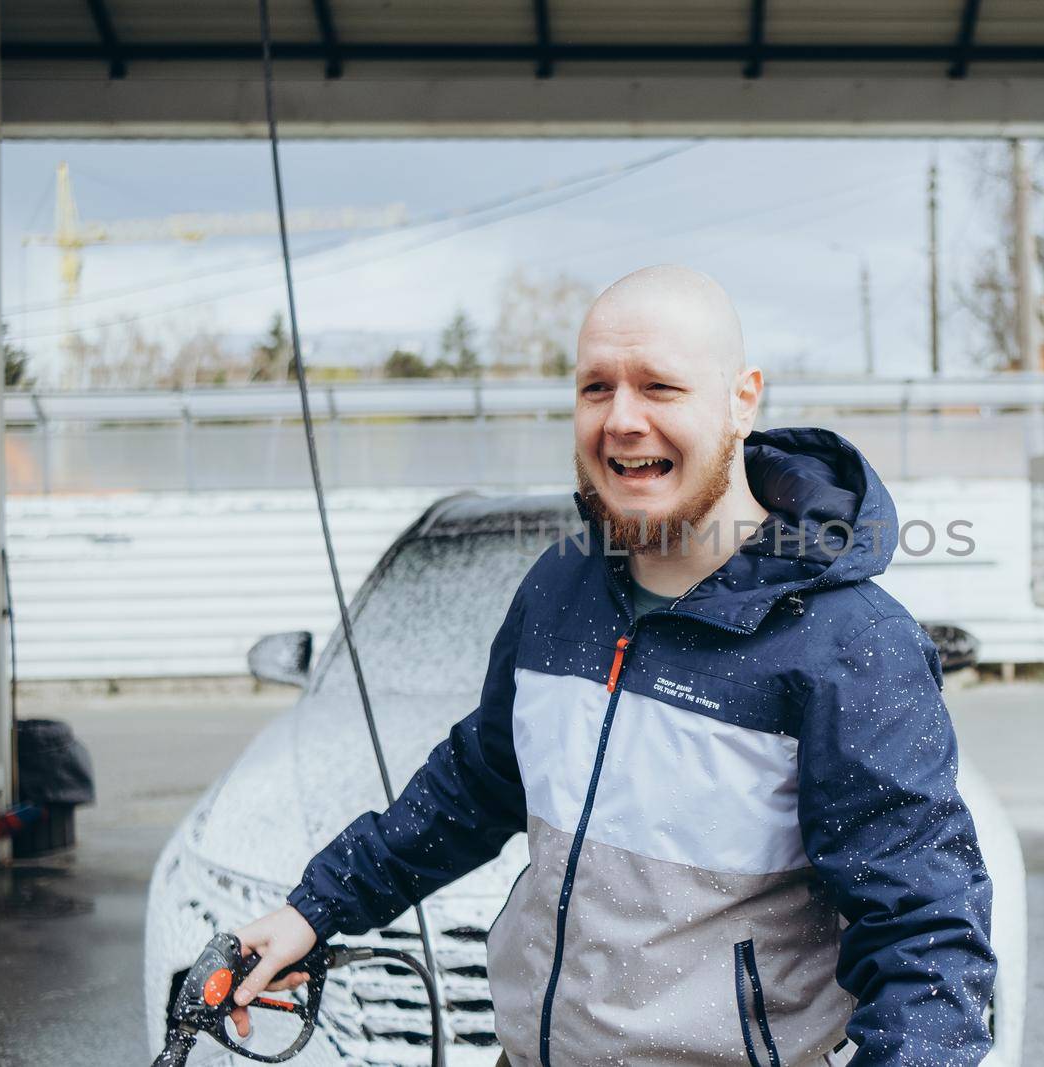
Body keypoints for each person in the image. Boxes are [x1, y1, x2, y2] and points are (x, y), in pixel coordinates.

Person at [229, 265, 997, 1065]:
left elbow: (926, 941)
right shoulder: (560, 588)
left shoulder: (848, 645)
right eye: (597, 388)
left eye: (660, 387)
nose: (622, 420)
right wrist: (314, 911)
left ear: (742, 399)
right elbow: (480, 780)